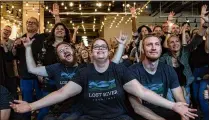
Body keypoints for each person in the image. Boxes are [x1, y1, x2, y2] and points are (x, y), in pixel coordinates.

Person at [10, 37, 197, 120]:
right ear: (91, 54)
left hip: (119, 117)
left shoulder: (120, 70)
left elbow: (142, 92)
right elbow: (61, 93)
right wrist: (31, 106)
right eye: (96, 47)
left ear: (109, 52)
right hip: (90, 117)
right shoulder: (84, 73)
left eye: (103, 47)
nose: (100, 49)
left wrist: (174, 105)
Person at [128, 34, 191, 120]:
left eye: (157, 44)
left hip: (163, 110)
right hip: (142, 115)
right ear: (142, 49)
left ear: (161, 49)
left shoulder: (168, 70)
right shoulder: (132, 71)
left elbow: (180, 98)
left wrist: (184, 116)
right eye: (149, 44)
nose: (154, 48)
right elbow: (137, 107)